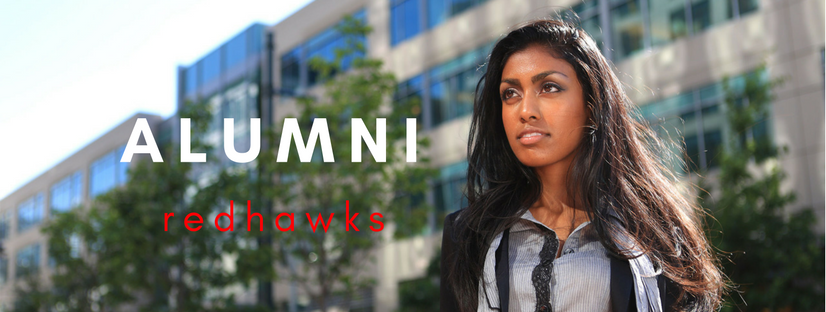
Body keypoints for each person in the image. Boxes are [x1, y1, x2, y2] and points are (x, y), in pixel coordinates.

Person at [439, 18, 727, 312]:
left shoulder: (652, 229)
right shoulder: (469, 233)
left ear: (592, 105)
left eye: (549, 87)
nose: (525, 110)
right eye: (510, 94)